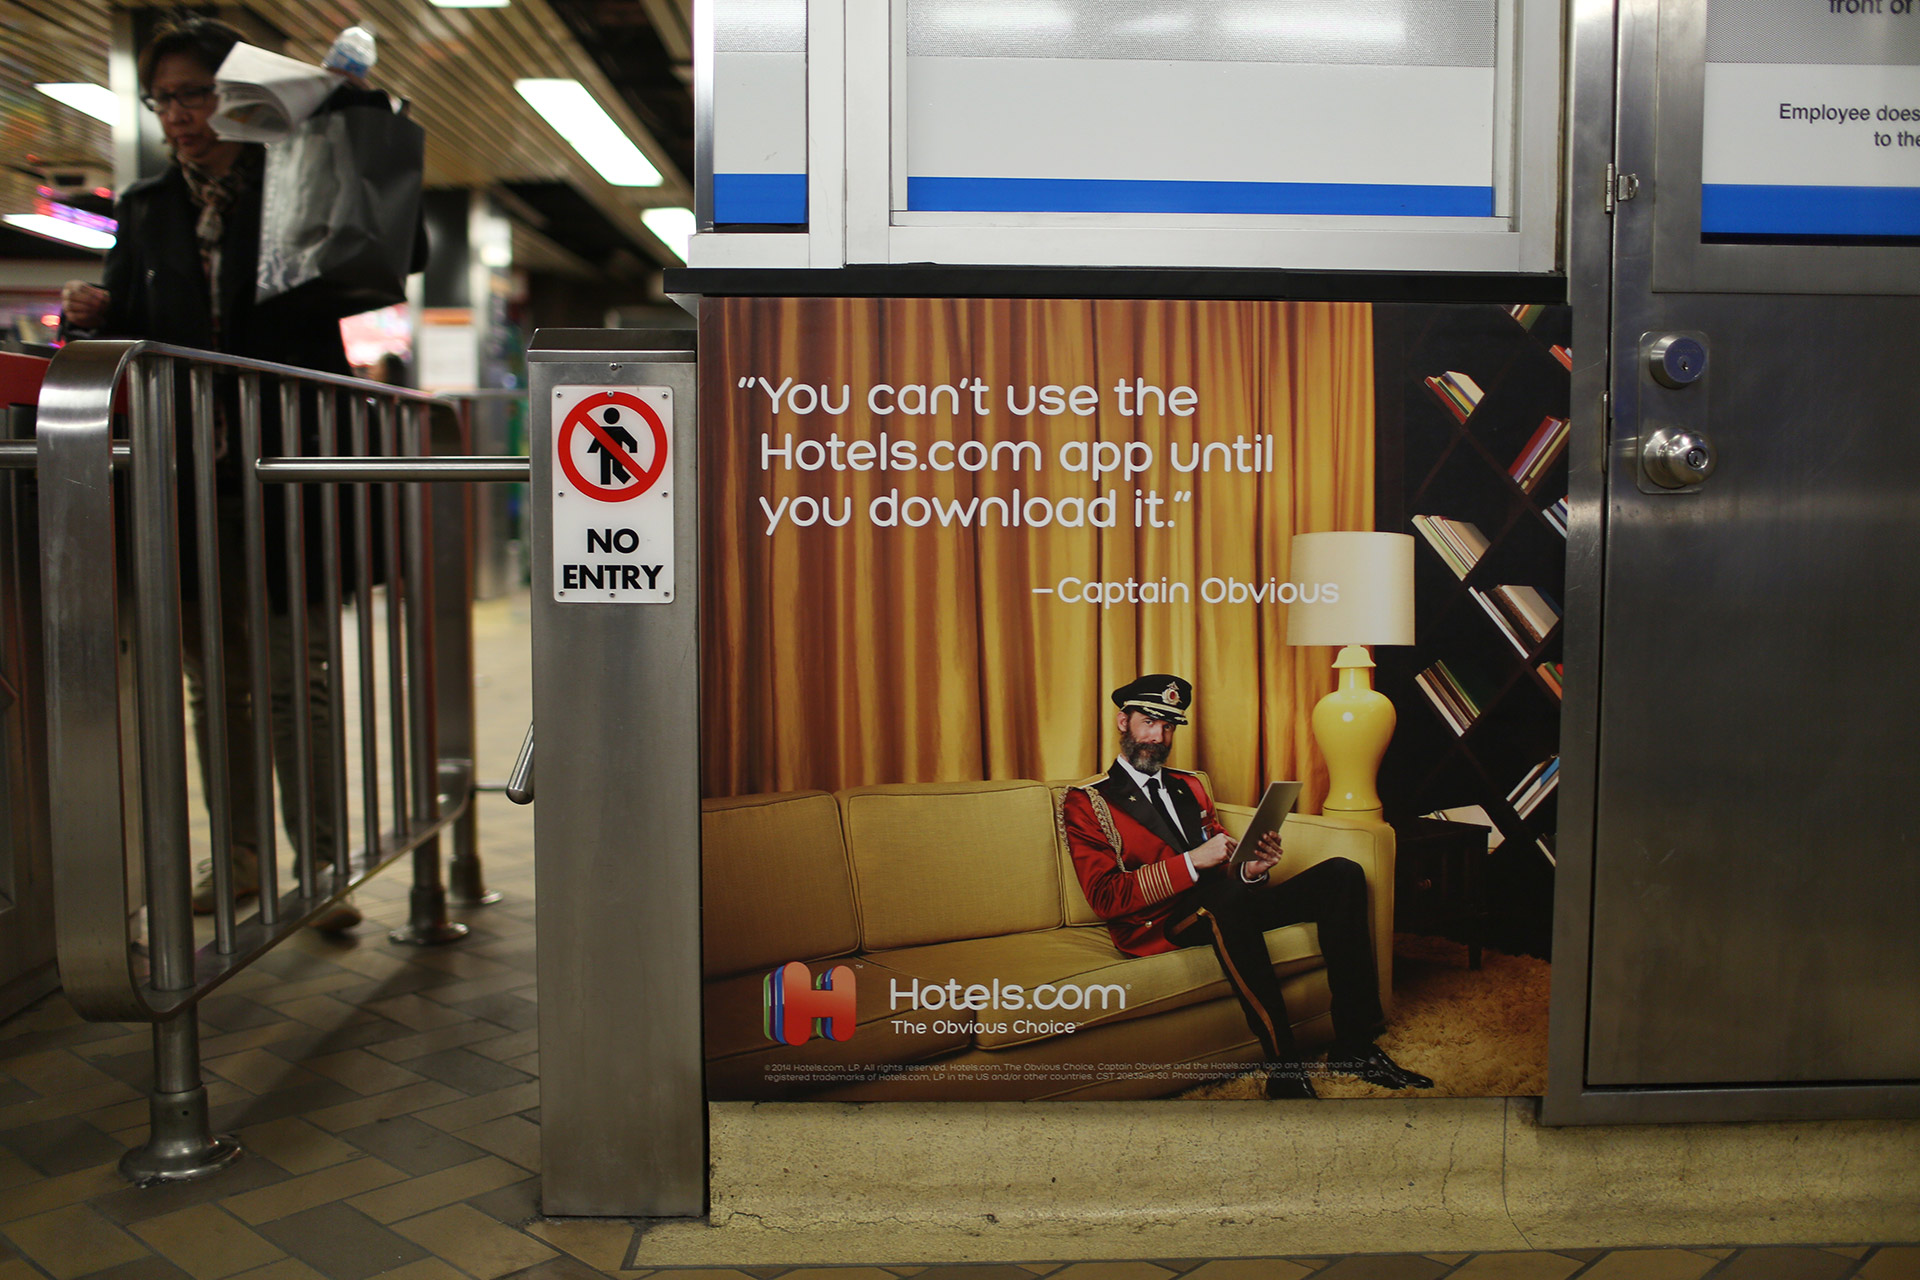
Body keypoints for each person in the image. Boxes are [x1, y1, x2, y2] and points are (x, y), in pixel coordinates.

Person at [61, 18, 414, 931]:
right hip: (186, 482)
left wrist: (351, 112)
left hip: (288, 470)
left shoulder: (298, 180)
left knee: (300, 677)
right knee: (213, 684)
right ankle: (242, 859)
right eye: (164, 99)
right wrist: (89, 313)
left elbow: (394, 250)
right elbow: (128, 329)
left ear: (241, 95)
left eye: (196, 93)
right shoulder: (147, 207)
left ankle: (324, 866)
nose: (179, 116)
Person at [1059, 674, 1436, 1100]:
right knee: (1225, 899)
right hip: (1158, 923)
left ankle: (1355, 1046)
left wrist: (1250, 869)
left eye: (1168, 727)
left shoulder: (1189, 786)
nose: (1158, 738)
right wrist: (1193, 861)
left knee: (1343, 874)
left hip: (1224, 902)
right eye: (1148, 723)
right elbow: (1106, 897)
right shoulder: (1088, 801)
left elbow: (1224, 867)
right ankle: (1284, 1068)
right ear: (1122, 722)